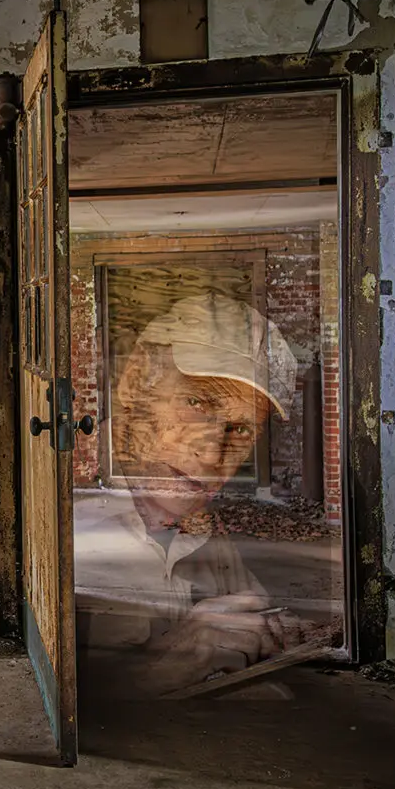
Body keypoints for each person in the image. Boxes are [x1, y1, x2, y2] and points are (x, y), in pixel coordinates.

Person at [75, 291, 298, 697]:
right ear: (137, 381)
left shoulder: (197, 522)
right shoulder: (57, 509)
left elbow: (252, 631)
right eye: (195, 402)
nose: (212, 453)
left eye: (241, 429)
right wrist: (152, 674)